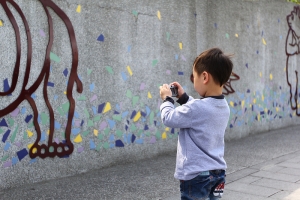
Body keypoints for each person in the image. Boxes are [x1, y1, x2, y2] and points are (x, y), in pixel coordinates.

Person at [159, 47, 233, 200]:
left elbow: (169, 118)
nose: (193, 81)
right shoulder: (223, 106)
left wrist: (167, 100)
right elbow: (201, 112)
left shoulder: (196, 108)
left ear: (204, 77)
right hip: (218, 172)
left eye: (194, 77)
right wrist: (184, 98)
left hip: (197, 175)